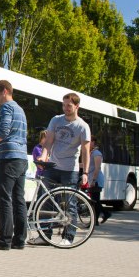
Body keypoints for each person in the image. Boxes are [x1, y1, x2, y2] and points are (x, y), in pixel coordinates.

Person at [33, 92, 91, 246]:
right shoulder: (56, 120)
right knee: (44, 201)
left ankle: (68, 237)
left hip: (70, 170)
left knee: (69, 205)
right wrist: (43, 157)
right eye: (64, 105)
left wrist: (85, 172)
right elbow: (49, 141)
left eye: (69, 106)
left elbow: (85, 151)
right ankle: (45, 236)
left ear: (77, 106)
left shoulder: (83, 126)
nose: (65, 108)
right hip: (52, 167)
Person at [0, 80, 29, 251]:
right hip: (22, 158)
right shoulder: (20, 109)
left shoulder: (7, 107)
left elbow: (3, 131)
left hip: (9, 157)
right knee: (18, 200)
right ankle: (19, 240)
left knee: (4, 199)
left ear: (4, 91)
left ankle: (4, 240)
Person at [88, 138, 112, 225]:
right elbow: (87, 165)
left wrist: (94, 180)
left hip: (96, 180)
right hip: (92, 179)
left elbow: (97, 168)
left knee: (94, 201)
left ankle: (95, 221)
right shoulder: (91, 153)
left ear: (93, 142)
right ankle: (105, 214)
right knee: (95, 201)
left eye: (89, 141)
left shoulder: (97, 153)